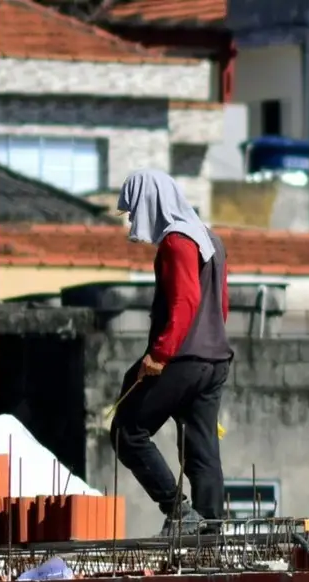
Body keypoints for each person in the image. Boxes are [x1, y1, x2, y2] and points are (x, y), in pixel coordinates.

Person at [110, 169, 233, 537]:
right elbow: (221, 307)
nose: (133, 220)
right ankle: (210, 531)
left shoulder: (177, 241)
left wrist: (160, 354)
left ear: (152, 202)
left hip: (182, 360)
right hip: (214, 361)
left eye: (134, 210)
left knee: (126, 430)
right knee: (201, 448)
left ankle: (178, 510)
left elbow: (185, 300)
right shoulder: (211, 239)